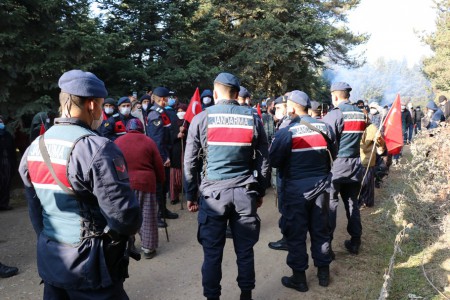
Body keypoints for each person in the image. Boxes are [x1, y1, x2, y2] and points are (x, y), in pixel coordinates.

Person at [18, 69, 142, 299]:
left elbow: (35, 210)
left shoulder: (35, 146)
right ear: (92, 105)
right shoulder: (97, 148)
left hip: (51, 258)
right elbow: (125, 217)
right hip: (90, 266)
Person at [184, 72, 269, 300]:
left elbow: (190, 161)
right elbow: (263, 159)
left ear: (214, 93)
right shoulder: (253, 118)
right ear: (237, 93)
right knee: (245, 250)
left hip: (213, 196)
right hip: (244, 193)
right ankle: (246, 295)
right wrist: (259, 191)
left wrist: (191, 194)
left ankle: (212, 297)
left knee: (212, 253)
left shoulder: (202, 118)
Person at [270, 90, 336, 292]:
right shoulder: (326, 128)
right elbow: (332, 153)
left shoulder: (287, 131)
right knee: (320, 230)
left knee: (296, 234)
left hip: (295, 190)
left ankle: (299, 279)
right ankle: (323, 273)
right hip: (321, 187)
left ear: (291, 108)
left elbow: (274, 161)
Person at [323, 82, 366, 256]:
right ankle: (355, 241)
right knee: (351, 203)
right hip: (355, 163)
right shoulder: (360, 113)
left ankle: (328, 247)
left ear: (335, 96)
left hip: (337, 165)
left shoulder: (335, 114)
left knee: (331, 204)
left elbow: (325, 139)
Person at [115, 119, 164, 259]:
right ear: (142, 128)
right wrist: (161, 180)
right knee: (147, 214)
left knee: (126, 215)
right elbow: (158, 164)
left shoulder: (118, 142)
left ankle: (127, 244)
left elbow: (114, 163)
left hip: (124, 184)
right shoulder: (148, 141)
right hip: (146, 183)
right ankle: (148, 248)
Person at [146, 86, 179, 228]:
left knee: (164, 185)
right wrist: (164, 157)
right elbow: (157, 140)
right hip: (160, 155)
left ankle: (163, 210)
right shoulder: (155, 115)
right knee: (159, 186)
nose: (168, 100)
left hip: (167, 151)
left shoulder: (162, 112)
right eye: (167, 98)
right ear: (162, 99)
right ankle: (157, 214)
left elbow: (168, 133)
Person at [359, 118, 385, 207]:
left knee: (367, 184)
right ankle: (358, 202)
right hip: (354, 161)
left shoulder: (372, 128)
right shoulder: (353, 127)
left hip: (367, 160)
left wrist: (379, 138)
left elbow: (381, 145)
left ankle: (368, 202)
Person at [0, 116, 16, 211]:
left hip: (7, 163)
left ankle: (4, 204)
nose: (1, 123)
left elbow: (12, 150)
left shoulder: (8, 135)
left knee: (6, 183)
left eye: (1, 121)